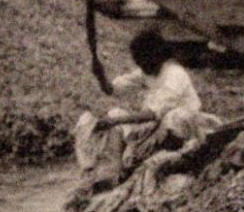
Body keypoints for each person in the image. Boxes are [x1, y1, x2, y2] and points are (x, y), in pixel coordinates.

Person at [74, 29, 219, 189]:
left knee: (175, 117)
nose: (141, 66)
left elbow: (152, 114)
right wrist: (100, 74)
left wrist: (115, 121)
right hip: (157, 128)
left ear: (155, 56)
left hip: (183, 127)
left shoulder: (174, 74)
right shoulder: (147, 72)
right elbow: (112, 89)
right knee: (114, 113)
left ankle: (176, 159)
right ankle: (111, 173)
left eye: (142, 61)